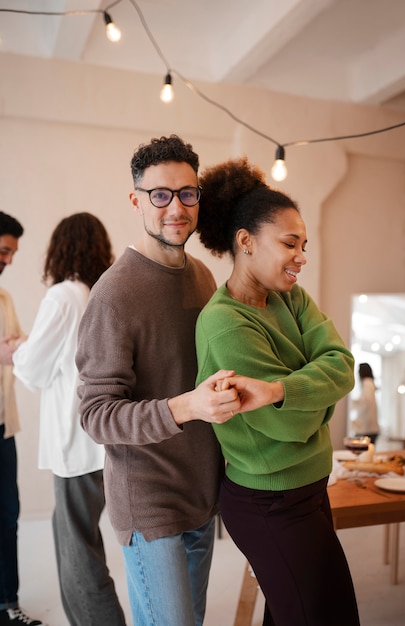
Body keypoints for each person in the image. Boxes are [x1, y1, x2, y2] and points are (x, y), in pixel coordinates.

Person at [75, 135, 250, 626]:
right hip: (150, 503)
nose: (176, 207)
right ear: (136, 201)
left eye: (187, 193)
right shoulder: (113, 295)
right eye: (160, 195)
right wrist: (187, 407)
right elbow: (95, 414)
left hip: (201, 493)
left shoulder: (202, 277)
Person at [194, 157, 360, 626]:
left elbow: (344, 365)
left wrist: (279, 388)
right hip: (270, 502)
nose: (302, 256)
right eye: (290, 243)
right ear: (245, 241)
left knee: (296, 612)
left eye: (304, 244)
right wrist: (310, 395)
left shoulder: (291, 297)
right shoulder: (225, 322)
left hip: (309, 490)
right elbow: (292, 424)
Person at [12, 213, 126, 626]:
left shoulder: (62, 295)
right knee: (76, 538)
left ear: (60, 248)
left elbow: (34, 370)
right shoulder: (98, 292)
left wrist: (14, 352)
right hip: (101, 439)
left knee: (78, 550)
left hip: (74, 443)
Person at [0, 212, 44, 626]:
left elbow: (20, 347)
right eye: (3, 251)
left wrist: (17, 348)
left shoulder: (5, 299)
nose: (9, 260)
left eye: (11, 253)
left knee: (8, 514)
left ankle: (7, 604)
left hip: (3, 428)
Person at [350, 362, 380, 444]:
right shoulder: (369, 384)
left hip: (366, 428)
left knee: (363, 454)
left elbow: (365, 403)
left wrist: (350, 403)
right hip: (370, 428)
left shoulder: (367, 384)